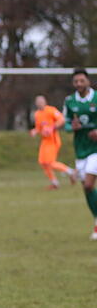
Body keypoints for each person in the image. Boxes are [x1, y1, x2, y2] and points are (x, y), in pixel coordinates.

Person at [63, 69, 97, 240]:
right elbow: (66, 124)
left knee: (89, 185)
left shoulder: (96, 98)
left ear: (88, 81)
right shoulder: (70, 101)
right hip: (81, 149)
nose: (79, 84)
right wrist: (72, 127)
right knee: (86, 188)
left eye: (81, 81)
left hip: (95, 149)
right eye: (76, 81)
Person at [30, 94, 75, 190]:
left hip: (53, 140)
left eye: (41, 102)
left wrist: (52, 127)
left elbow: (62, 119)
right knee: (42, 162)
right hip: (45, 141)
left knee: (50, 162)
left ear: (45, 102)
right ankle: (54, 183)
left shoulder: (51, 110)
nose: (40, 104)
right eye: (38, 102)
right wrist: (35, 131)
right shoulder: (37, 114)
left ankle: (71, 172)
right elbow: (39, 127)